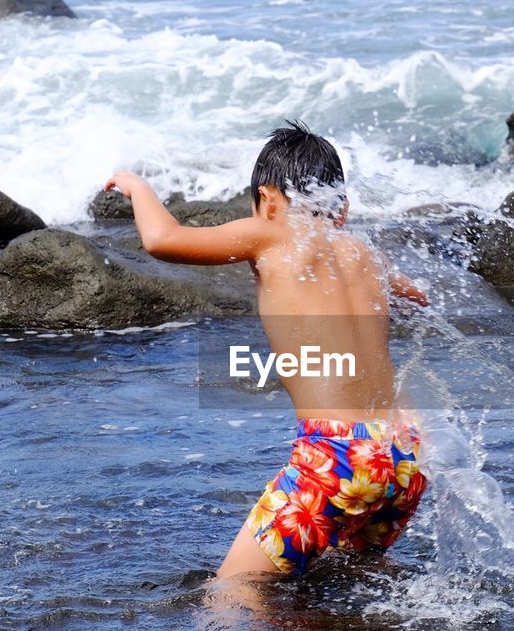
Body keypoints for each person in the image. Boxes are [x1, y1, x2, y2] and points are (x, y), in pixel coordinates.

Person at [106, 122, 429, 579]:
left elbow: (162, 240)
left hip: (338, 456)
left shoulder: (270, 234)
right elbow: (418, 300)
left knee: (235, 590)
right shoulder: (365, 252)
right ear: (340, 208)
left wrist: (137, 186)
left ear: (268, 200)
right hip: (404, 457)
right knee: (352, 582)